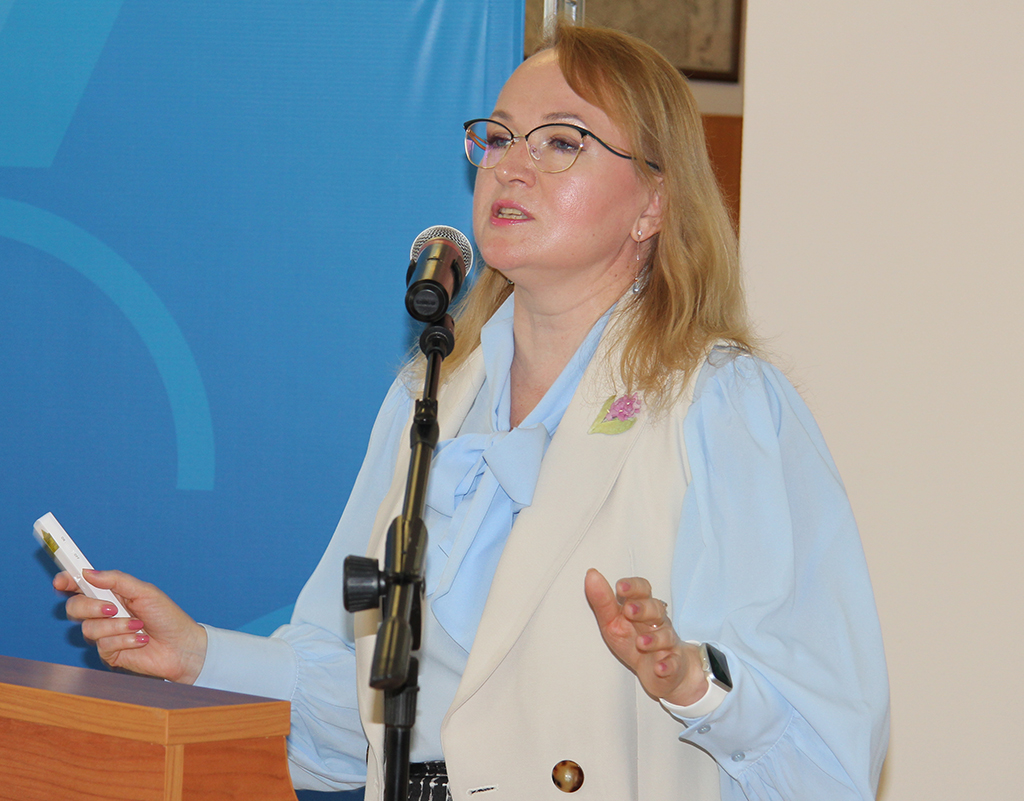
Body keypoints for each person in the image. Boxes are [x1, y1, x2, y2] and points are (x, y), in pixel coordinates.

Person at [55, 24, 889, 801]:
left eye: (561, 142)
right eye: (498, 138)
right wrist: (199, 654)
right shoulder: (430, 395)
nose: (510, 167)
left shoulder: (719, 402)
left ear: (654, 204)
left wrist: (694, 682)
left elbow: (827, 755)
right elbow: (361, 712)